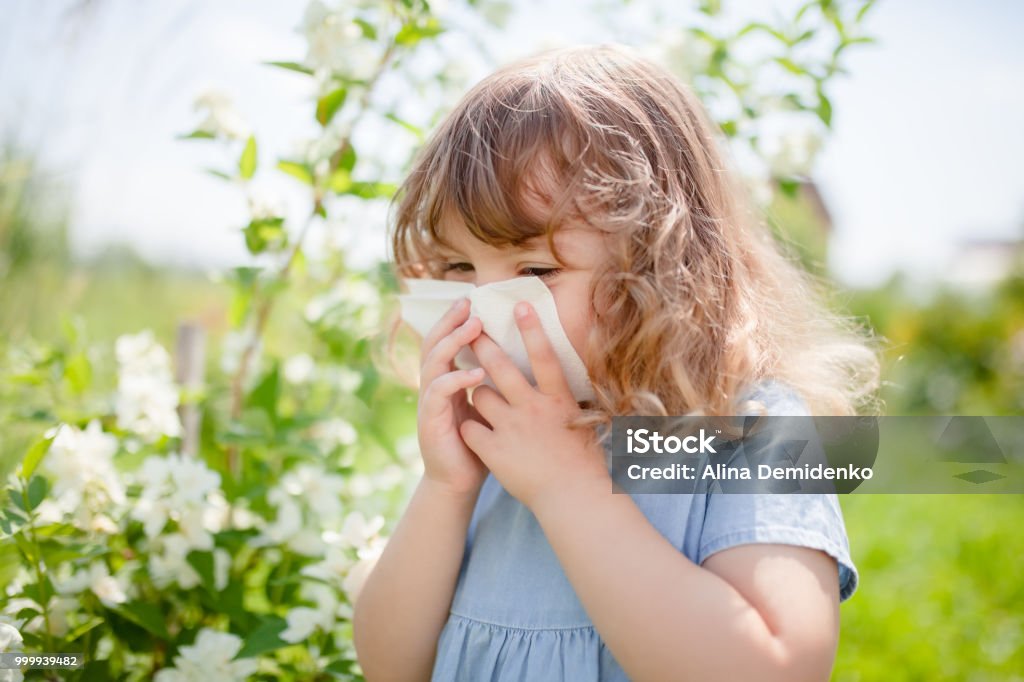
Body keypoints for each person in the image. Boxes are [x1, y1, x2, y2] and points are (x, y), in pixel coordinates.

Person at [353, 42, 882, 681]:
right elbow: (389, 666)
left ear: (661, 265)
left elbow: (777, 668)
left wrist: (567, 486)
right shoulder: (494, 440)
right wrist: (447, 488)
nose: (485, 308)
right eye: (457, 268)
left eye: (537, 270)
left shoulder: (748, 428)